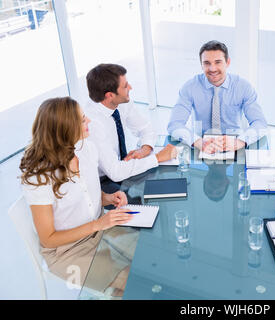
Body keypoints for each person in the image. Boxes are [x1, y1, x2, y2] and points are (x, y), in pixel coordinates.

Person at [20, 97, 136, 296]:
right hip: (67, 251)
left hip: (100, 230)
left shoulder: (86, 149)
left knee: (149, 258)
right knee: (132, 281)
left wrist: (108, 198)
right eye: (82, 120)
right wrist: (98, 225)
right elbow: (48, 239)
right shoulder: (38, 177)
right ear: (65, 130)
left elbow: (85, 194)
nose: (89, 121)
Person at [85, 63, 177, 191]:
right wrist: (157, 157)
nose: (130, 87)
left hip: (121, 167)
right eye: (125, 86)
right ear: (109, 95)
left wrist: (145, 148)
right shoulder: (92, 123)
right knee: (141, 200)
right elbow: (115, 172)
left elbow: (146, 129)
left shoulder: (121, 102)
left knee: (165, 185)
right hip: (101, 181)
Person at [167, 40, 267, 154]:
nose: (212, 68)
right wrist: (197, 141)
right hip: (201, 145)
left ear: (227, 62)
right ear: (201, 64)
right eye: (207, 63)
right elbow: (174, 124)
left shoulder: (243, 87)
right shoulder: (190, 87)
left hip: (234, 144)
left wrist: (239, 141)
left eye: (218, 62)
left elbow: (260, 123)